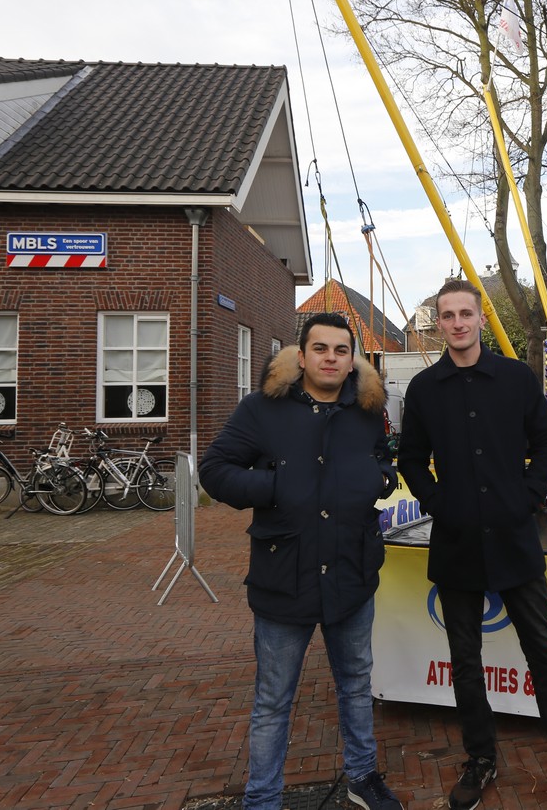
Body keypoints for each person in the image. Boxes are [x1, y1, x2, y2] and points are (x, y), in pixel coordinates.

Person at [397, 280, 547, 810]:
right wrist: (439, 503)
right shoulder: (424, 389)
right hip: (456, 543)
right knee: (465, 661)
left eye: (465, 313)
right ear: (439, 324)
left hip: (515, 541)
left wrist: (528, 494)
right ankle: (481, 758)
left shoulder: (516, 378)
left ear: (480, 318)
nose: (457, 323)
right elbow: (410, 459)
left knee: (544, 656)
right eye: (447, 315)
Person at [199, 312, 403, 810]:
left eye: (341, 350)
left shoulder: (366, 409)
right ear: (302, 355)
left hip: (352, 572)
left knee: (356, 686)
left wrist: (381, 478)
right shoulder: (261, 409)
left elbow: (382, 457)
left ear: (352, 359)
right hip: (284, 576)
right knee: (273, 700)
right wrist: (275, 486)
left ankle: (362, 776)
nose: (331, 358)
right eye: (321, 348)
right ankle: (262, 799)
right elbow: (215, 470)